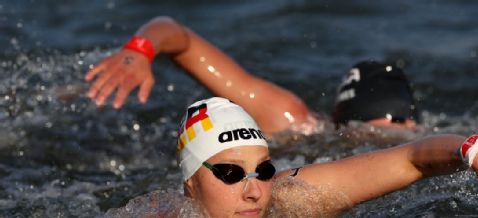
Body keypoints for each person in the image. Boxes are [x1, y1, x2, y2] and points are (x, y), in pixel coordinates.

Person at [126, 97, 478, 218]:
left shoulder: (293, 199)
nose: (255, 190)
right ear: (189, 184)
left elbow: (411, 157)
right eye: (230, 173)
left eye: (262, 170)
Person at [84, 16, 418, 135]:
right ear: (341, 124)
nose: (394, 139)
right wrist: (138, 50)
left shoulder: (427, 141)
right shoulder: (291, 120)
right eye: (373, 135)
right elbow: (177, 36)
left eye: (404, 128)